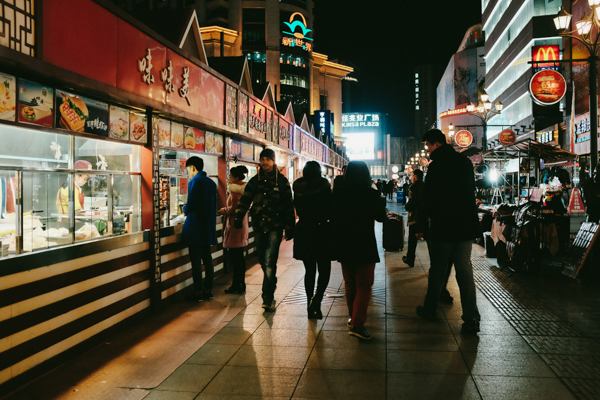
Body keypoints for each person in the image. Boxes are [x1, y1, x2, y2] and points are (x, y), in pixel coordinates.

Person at [414, 129, 481, 333]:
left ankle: (430, 309)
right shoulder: (464, 162)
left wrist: (422, 224)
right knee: (464, 270)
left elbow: (430, 197)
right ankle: (471, 318)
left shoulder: (436, 166)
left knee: (438, 269)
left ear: (435, 144)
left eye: (427, 145)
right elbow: (470, 191)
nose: (427, 149)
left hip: (444, 225)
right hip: (465, 226)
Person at [234, 149, 295, 311]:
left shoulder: (282, 182)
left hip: (276, 226)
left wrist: (290, 225)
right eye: (263, 159)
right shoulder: (254, 182)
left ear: (274, 161)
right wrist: (238, 217)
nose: (265, 162)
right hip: (259, 226)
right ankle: (272, 281)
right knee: (262, 258)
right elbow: (245, 201)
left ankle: (267, 295)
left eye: (268, 159)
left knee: (269, 260)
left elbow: (289, 205)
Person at [333, 161, 386, 340]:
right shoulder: (371, 194)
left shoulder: (339, 194)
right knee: (364, 285)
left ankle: (353, 317)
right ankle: (357, 324)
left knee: (350, 284)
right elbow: (380, 217)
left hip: (344, 243)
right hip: (364, 243)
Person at [293, 161, 332, 319]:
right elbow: (330, 208)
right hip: (321, 229)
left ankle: (310, 302)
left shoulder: (298, 187)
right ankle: (317, 299)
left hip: (304, 229)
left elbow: (296, 207)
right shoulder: (324, 186)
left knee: (309, 270)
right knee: (324, 269)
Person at [182, 156, 217, 302]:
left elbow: (191, 204)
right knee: (207, 259)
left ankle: (197, 291)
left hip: (195, 227)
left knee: (196, 261)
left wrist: (185, 210)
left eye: (188, 170)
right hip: (207, 226)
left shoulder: (194, 181)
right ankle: (208, 289)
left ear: (193, 168)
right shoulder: (211, 183)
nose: (188, 173)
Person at [219, 165, 250, 294]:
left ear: (236, 177)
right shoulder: (242, 190)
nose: (229, 178)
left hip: (235, 227)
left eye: (230, 176)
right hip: (240, 226)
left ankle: (237, 284)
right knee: (239, 258)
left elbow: (234, 209)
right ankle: (240, 283)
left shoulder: (235, 192)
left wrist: (223, 210)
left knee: (236, 258)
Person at [403, 169, 424, 268]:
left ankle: (410, 259)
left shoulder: (413, 187)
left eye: (412, 176)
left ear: (416, 177)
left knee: (412, 240)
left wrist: (407, 206)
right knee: (429, 240)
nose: (411, 178)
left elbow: (412, 202)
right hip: (425, 217)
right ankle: (434, 262)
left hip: (415, 217)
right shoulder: (426, 186)